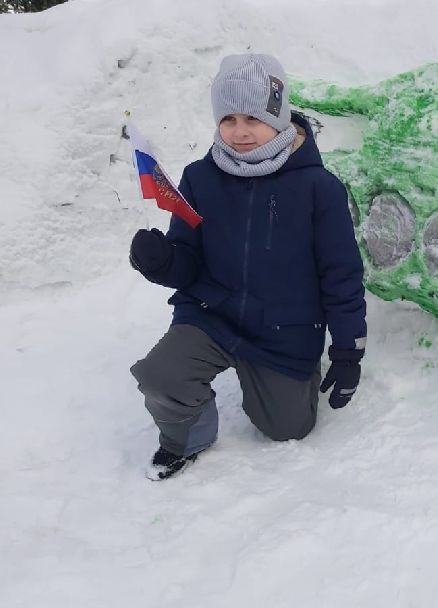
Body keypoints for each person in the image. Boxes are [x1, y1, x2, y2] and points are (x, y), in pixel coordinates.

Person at [128, 54, 367, 480]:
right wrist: (161, 261)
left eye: (253, 118)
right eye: (228, 118)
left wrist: (348, 350)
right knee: (159, 376)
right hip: (212, 316)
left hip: (283, 330)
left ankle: (289, 380)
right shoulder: (200, 178)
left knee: (287, 428)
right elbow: (186, 262)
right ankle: (191, 436)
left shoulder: (319, 188)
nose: (239, 132)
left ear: (278, 118)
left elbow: (341, 275)